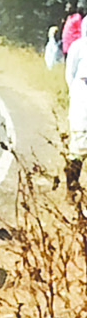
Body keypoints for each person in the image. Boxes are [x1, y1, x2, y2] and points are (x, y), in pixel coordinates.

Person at [66, 30, 87, 198]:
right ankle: (71, 189)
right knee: (78, 146)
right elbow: (70, 74)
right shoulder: (79, 46)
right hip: (82, 100)